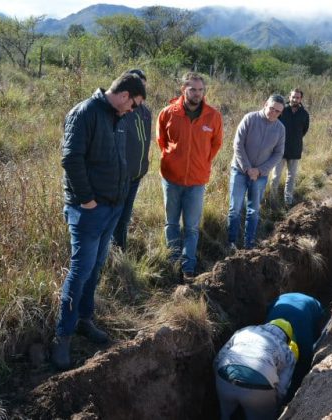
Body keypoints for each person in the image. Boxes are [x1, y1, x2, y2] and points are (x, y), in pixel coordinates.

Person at [51, 73, 147, 371]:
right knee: (80, 270)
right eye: (134, 104)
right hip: (89, 211)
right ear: (123, 94)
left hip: (111, 208)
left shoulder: (115, 116)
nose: (133, 110)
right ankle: (62, 336)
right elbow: (71, 159)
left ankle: (84, 320)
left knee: (96, 267)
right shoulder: (85, 113)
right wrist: (87, 199)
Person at [157, 72, 223, 279]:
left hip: (196, 181)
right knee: (172, 223)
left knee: (192, 227)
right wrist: (172, 159)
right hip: (171, 179)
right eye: (193, 89)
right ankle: (173, 261)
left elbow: (216, 144)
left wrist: (201, 162)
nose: (197, 93)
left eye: (201, 90)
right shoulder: (168, 113)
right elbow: (162, 141)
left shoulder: (213, 116)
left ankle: (188, 267)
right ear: (183, 90)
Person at [227, 95, 286, 251]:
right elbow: (237, 145)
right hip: (239, 171)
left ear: (281, 113)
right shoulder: (250, 119)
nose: (273, 113)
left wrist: (260, 171)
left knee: (253, 211)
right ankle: (231, 243)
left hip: (260, 176)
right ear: (265, 104)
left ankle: (249, 244)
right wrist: (247, 168)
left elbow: (278, 154)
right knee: (235, 209)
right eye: (271, 108)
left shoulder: (280, 129)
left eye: (278, 111)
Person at [214, 319, 299, 420]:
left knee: (225, 416)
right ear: (288, 339)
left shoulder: (245, 331)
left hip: (224, 375)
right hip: (260, 387)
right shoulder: (287, 352)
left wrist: (218, 378)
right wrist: (272, 407)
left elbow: (218, 358)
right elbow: (282, 389)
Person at [112, 69, 153, 251]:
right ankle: (115, 254)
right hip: (120, 175)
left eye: (144, 86)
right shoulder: (120, 110)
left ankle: (121, 250)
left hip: (137, 174)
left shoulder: (146, 112)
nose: (141, 90)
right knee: (116, 216)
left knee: (125, 217)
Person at [266, 293, 324, 399]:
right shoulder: (268, 329)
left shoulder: (303, 337)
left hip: (311, 305)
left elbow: (305, 362)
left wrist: (293, 392)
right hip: (281, 300)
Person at [270, 89, 310, 206]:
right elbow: (274, 126)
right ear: (289, 96)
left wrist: (295, 139)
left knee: (291, 177)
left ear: (300, 99)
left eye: (297, 98)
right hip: (279, 150)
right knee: (275, 177)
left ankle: (288, 201)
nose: (295, 99)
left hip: (295, 149)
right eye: (293, 97)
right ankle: (273, 200)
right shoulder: (282, 111)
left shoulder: (304, 114)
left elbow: (304, 130)